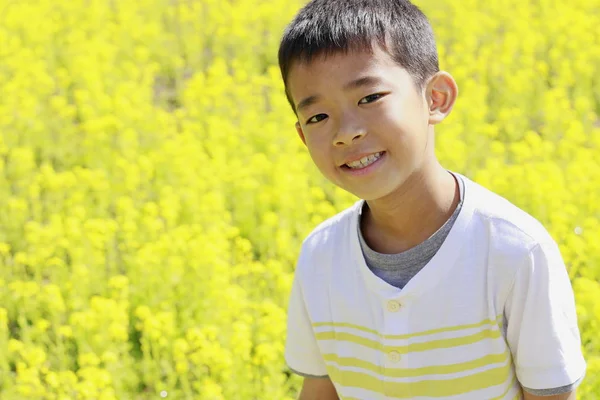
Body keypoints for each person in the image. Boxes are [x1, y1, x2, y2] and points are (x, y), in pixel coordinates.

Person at [277, 0, 587, 399]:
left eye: (369, 98)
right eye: (318, 117)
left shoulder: (516, 251)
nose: (345, 132)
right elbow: (320, 390)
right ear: (302, 135)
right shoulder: (320, 255)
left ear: (436, 98)